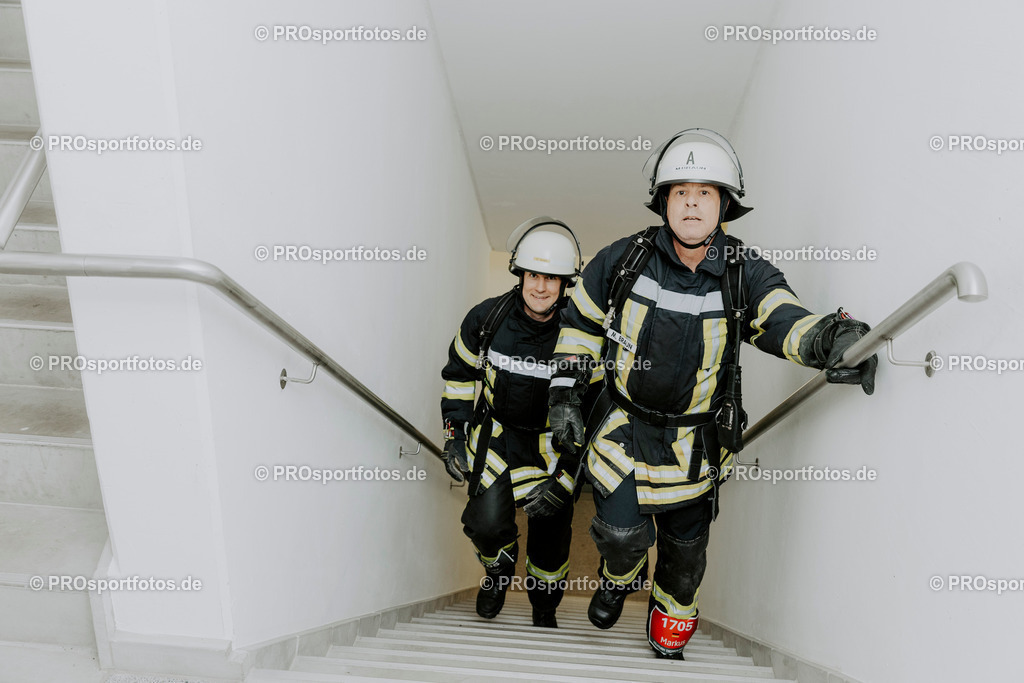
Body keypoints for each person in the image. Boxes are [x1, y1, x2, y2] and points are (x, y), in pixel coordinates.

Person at [547, 128, 877, 658]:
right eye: (681, 192)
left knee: (684, 562)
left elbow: (785, 320)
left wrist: (830, 338)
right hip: (623, 431)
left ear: (724, 203)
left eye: (705, 192)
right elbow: (578, 326)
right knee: (618, 532)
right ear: (664, 202)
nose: (693, 202)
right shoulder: (623, 259)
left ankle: (666, 619)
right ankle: (619, 576)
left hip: (695, 446)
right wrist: (564, 397)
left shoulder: (745, 272)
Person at [441, 217, 591, 628]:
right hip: (496, 440)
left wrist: (566, 478)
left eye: (552, 278)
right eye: (533, 274)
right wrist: (454, 436)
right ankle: (497, 575)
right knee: (485, 525)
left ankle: (544, 606)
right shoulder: (485, 320)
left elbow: (592, 415)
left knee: (550, 543)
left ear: (566, 284)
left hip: (552, 450)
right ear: (519, 273)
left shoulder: (581, 337)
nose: (541, 287)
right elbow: (458, 377)